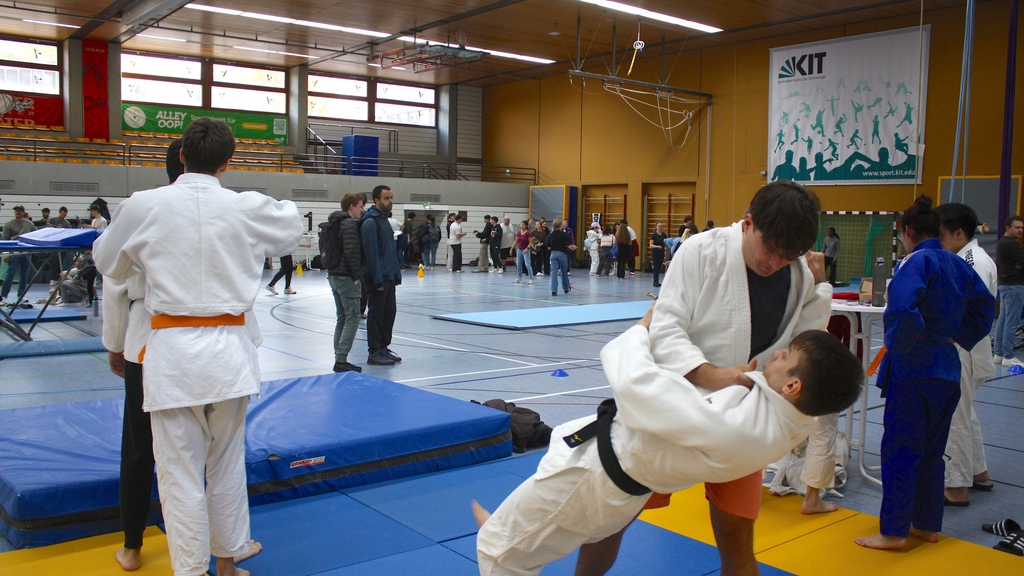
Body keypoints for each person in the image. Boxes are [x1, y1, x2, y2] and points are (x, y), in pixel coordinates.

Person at [474, 311, 864, 575]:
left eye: (787, 355)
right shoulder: (796, 417)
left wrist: (642, 329)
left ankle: (510, 538)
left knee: (496, 552)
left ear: (793, 385)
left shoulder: (737, 429)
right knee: (545, 533)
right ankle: (516, 531)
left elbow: (638, 388)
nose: (777, 352)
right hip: (614, 490)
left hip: (590, 477)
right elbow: (817, 368)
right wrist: (819, 287)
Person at [577, 181, 833, 576]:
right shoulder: (702, 251)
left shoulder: (798, 273)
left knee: (737, 543)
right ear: (748, 223)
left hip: (738, 423)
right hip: (670, 410)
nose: (776, 262)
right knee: (609, 522)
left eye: (789, 255)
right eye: (771, 249)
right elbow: (666, 325)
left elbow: (799, 344)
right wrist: (710, 375)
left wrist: (818, 289)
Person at [93, 117, 301, 576]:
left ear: (182, 155)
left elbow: (107, 261)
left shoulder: (145, 204)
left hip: (174, 351)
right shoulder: (247, 206)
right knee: (226, 465)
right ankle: (226, 563)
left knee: (180, 474)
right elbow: (292, 227)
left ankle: (191, 571)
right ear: (228, 163)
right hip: (231, 351)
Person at [855, 195, 993, 551]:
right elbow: (984, 306)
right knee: (932, 452)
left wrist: (905, 342)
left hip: (915, 367)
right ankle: (927, 524)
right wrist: (956, 334)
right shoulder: (956, 263)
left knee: (901, 449)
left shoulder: (915, 261)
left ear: (907, 232)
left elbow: (900, 308)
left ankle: (894, 531)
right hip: (947, 366)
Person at [934, 203, 997, 505]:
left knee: (955, 414)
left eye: (941, 235)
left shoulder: (973, 262)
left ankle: (955, 486)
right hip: (969, 346)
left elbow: (975, 310)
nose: (937, 242)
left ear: (959, 233)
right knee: (965, 411)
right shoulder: (966, 257)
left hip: (964, 346)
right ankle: (977, 472)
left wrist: (946, 333)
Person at [361, 185, 403, 367]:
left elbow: (389, 251)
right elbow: (371, 254)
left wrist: (395, 274)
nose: (390, 201)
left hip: (388, 276)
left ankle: (384, 347)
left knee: (389, 313)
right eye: (386, 198)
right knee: (376, 315)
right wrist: (377, 279)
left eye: (391, 197)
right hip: (377, 277)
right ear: (376, 200)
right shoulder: (371, 222)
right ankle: (374, 351)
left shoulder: (385, 221)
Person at [328, 193, 366, 373]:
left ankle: (339, 356)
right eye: (360, 206)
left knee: (342, 317)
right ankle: (341, 359)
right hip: (346, 276)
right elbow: (351, 251)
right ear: (351, 207)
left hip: (334, 275)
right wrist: (357, 275)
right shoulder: (349, 224)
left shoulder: (335, 222)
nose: (362, 210)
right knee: (353, 317)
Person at [993, 215, 1024, 368]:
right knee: (1011, 322)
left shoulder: (1003, 243)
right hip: (1014, 286)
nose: (1020, 230)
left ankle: (998, 354)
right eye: (1017, 227)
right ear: (1008, 228)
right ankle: (1008, 356)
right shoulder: (1010, 244)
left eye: (1022, 228)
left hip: (1005, 285)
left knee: (1003, 321)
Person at [1, 204, 36, 308]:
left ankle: (21, 296)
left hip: (26, 252)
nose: (17, 212)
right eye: (16, 210)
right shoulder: (8, 224)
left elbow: (36, 234)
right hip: (14, 252)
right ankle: (3, 296)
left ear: (23, 212)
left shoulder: (29, 224)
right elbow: (5, 240)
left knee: (24, 275)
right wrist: (5, 254)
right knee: (10, 275)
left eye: (19, 210)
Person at [547, 218, 574, 296]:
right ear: (560, 225)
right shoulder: (564, 234)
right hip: (562, 254)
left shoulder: (551, 234)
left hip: (553, 254)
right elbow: (569, 245)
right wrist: (574, 247)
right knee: (563, 272)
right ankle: (566, 288)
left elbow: (548, 246)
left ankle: (554, 290)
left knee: (554, 272)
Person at [512, 220, 534, 284]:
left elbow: (530, 242)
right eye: (521, 224)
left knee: (527, 264)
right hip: (519, 249)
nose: (522, 226)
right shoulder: (518, 233)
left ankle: (531, 278)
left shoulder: (528, 233)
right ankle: (519, 277)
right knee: (518, 264)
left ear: (526, 225)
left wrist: (527, 248)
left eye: (523, 224)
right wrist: (512, 248)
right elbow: (516, 241)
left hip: (525, 250)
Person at [650, 222, 666, 287]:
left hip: (661, 252)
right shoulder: (654, 235)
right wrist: (657, 246)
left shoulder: (664, 235)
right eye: (659, 226)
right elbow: (651, 245)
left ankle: (657, 281)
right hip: (655, 253)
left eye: (661, 226)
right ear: (656, 227)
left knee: (659, 267)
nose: (660, 227)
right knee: (656, 267)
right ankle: (655, 281)